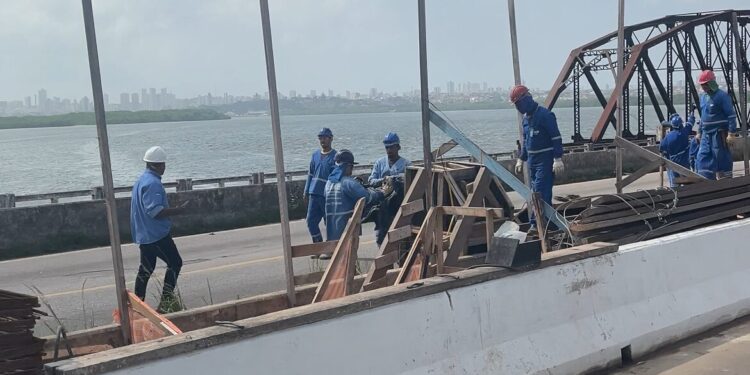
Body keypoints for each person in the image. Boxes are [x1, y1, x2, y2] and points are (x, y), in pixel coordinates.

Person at [130, 146, 189, 313]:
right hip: (155, 235)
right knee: (175, 262)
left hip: (144, 234)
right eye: (163, 164)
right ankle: (166, 301)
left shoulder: (141, 180)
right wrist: (180, 210)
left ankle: (137, 305)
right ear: (158, 165)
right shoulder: (152, 183)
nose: (165, 167)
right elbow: (155, 211)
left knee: (146, 269)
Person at [510, 85, 564, 227]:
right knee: (537, 192)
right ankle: (550, 225)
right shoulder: (526, 120)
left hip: (544, 161)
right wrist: (521, 159)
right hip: (532, 162)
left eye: (518, 103)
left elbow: (556, 138)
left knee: (540, 193)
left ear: (526, 99)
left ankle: (536, 225)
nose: (518, 107)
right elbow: (527, 142)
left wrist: (557, 158)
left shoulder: (545, 115)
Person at [324, 149, 389, 259]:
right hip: (347, 229)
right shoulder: (348, 183)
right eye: (351, 167)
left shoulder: (328, 183)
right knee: (349, 261)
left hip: (331, 233)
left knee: (338, 263)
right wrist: (383, 192)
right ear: (348, 166)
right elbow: (367, 197)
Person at [368, 132, 411, 245]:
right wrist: (384, 180)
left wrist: (396, 179)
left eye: (392, 147)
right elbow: (371, 181)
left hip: (399, 204)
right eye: (387, 147)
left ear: (398, 147)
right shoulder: (380, 163)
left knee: (400, 232)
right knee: (381, 231)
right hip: (383, 203)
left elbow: (411, 181)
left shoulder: (406, 164)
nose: (389, 150)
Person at [695, 70, 737, 180]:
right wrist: (699, 132)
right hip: (706, 134)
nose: (703, 86)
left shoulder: (722, 96)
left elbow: (731, 115)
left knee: (720, 157)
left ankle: (726, 180)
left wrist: (731, 133)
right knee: (702, 157)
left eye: (705, 84)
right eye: (702, 84)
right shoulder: (703, 97)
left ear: (711, 83)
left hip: (719, 133)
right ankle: (707, 180)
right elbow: (703, 116)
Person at [303, 128, 337, 245]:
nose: (323, 140)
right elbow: (310, 174)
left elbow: (336, 177)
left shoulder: (335, 156)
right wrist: (306, 190)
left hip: (327, 195)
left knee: (329, 222)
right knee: (310, 221)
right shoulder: (315, 155)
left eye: (325, 137)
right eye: (320, 137)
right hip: (314, 193)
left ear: (331, 138)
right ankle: (318, 244)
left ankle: (331, 247)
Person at [659, 113, 694, 188]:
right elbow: (690, 124)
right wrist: (691, 115)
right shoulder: (684, 132)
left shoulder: (668, 137)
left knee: (674, 183)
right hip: (685, 163)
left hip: (673, 163)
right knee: (687, 182)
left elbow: (661, 148)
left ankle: (675, 194)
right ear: (681, 124)